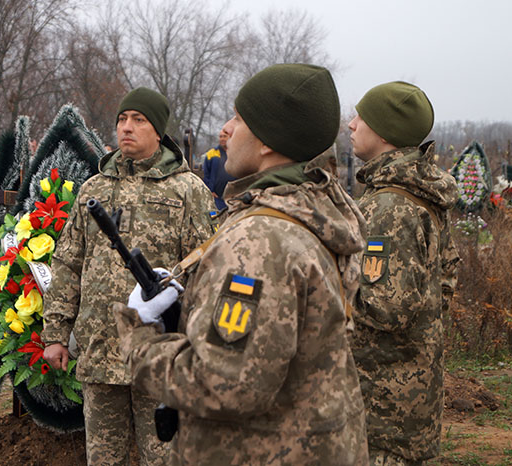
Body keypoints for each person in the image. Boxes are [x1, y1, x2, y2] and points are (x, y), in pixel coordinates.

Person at [114, 64, 369, 465]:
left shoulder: (260, 241)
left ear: (267, 141)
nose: (227, 129)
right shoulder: (316, 210)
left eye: (238, 118)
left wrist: (140, 337)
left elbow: (223, 384)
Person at [41, 87, 216, 465]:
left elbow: (206, 271)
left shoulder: (188, 190)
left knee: (164, 458)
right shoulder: (94, 189)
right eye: (122, 119)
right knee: (104, 459)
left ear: (159, 131)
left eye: (138, 119)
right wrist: (55, 333)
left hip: (159, 354)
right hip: (101, 350)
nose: (126, 127)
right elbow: (68, 262)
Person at [348, 81, 459, 465]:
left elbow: (385, 308)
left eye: (361, 117)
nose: (351, 124)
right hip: (411, 393)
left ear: (384, 132)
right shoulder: (419, 193)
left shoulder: (390, 206)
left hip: (381, 407)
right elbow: (446, 278)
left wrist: (324, 290)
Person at [202, 127, 235, 210]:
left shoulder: (236, 153)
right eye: (220, 136)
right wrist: (210, 191)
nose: (222, 139)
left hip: (234, 197)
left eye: (225, 136)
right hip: (217, 198)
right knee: (215, 216)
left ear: (230, 137)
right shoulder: (211, 154)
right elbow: (206, 174)